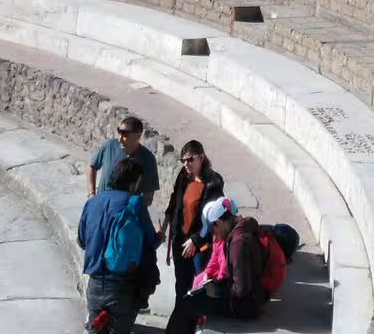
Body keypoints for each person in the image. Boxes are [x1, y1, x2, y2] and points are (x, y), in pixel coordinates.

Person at [78, 156, 160, 334]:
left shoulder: (92, 203)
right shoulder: (134, 203)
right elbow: (151, 242)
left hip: (94, 284)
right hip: (123, 286)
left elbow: (82, 241)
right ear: (135, 182)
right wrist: (160, 234)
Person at [164, 197, 269, 332]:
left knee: (187, 305)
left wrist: (217, 291)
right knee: (190, 300)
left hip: (244, 305)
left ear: (219, 223)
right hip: (248, 296)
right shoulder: (240, 229)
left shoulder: (238, 244)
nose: (215, 234)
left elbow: (241, 289)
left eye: (214, 230)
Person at [157, 140, 226, 308]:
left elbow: (213, 219)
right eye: (183, 160)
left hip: (199, 243)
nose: (186, 164)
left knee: (199, 282)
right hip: (180, 238)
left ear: (201, 158)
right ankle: (181, 313)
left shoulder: (213, 183)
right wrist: (166, 225)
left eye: (190, 159)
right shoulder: (184, 175)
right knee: (181, 281)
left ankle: (197, 317)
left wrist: (195, 240)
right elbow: (175, 201)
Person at [88, 115, 160, 207]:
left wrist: (134, 211)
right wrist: (91, 194)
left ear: (137, 136)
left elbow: (148, 195)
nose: (119, 139)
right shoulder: (109, 146)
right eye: (119, 133)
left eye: (125, 135)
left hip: (125, 216)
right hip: (101, 207)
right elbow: (91, 167)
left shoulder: (148, 159)